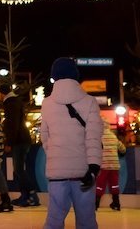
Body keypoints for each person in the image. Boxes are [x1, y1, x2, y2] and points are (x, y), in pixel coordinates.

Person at [40, 57, 103, 229]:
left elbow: (45, 137)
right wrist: (94, 168)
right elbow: (93, 138)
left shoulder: (47, 104)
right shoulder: (90, 102)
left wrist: (56, 155)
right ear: (76, 74)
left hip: (57, 174)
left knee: (54, 221)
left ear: (55, 76)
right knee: (86, 221)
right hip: (83, 174)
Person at [4, 94, 40, 207]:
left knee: (19, 170)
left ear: (1, 93)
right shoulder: (15, 102)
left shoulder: (10, 104)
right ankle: (25, 196)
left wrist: (9, 142)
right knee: (18, 170)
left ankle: (32, 195)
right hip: (22, 140)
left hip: (19, 141)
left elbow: (12, 124)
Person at [99, 125, 123, 211]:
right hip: (114, 165)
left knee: (100, 185)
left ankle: (95, 203)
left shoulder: (99, 137)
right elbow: (122, 149)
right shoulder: (113, 136)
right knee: (114, 185)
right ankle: (116, 203)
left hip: (104, 165)